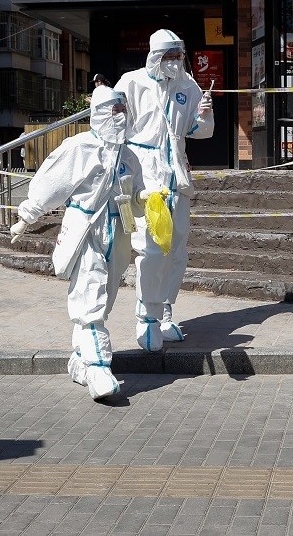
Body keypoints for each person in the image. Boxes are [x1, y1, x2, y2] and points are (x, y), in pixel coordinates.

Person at [9, 85, 144, 401]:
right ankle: (99, 369)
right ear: (99, 113)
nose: (120, 115)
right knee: (89, 297)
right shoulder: (78, 148)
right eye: (114, 109)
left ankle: (80, 363)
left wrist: (146, 199)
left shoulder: (129, 154)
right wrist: (27, 216)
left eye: (123, 109)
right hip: (85, 230)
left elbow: (136, 193)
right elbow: (50, 184)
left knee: (104, 298)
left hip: (118, 231)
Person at [113, 29, 214, 352]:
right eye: (167, 56)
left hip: (176, 177)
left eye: (178, 55)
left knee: (177, 249)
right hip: (144, 178)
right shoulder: (131, 83)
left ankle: (165, 310)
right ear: (154, 56)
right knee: (152, 248)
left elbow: (200, 132)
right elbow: (110, 126)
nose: (173, 62)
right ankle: (146, 318)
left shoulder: (188, 86)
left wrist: (205, 114)